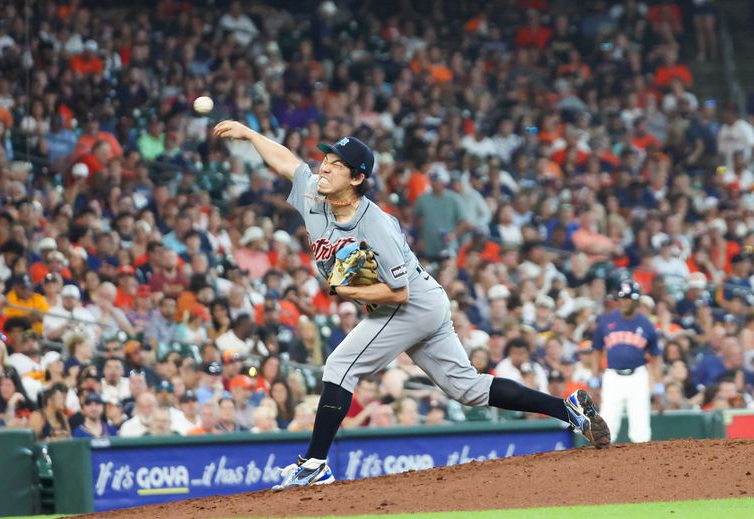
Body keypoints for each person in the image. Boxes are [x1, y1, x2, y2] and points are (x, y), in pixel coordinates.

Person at [214, 121, 610, 489]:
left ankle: (314, 465)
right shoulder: (314, 193)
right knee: (468, 388)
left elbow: (397, 293)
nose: (324, 168)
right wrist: (249, 133)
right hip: (421, 303)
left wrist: (351, 293)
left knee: (339, 365)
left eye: (336, 165)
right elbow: (287, 162)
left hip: (409, 305)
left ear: (357, 178)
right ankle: (568, 409)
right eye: (326, 160)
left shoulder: (376, 225)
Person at [591, 280, 663, 444]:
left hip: (637, 376)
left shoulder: (646, 324)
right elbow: (596, 351)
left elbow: (656, 356)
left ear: (637, 300)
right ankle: (601, 465)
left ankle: (642, 466)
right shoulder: (606, 322)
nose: (624, 301)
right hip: (612, 376)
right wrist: (594, 380)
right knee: (607, 424)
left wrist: (659, 386)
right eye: (622, 298)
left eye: (628, 298)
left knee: (640, 427)